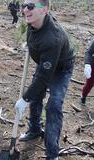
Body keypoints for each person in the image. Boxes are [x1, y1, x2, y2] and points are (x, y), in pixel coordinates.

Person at [14, 0, 74, 159]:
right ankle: (34, 129)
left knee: (54, 105)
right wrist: (30, 45)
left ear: (44, 10)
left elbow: (43, 77)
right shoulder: (33, 20)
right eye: (24, 6)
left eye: (31, 6)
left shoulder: (52, 38)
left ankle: (52, 153)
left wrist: (25, 98)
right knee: (36, 96)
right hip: (45, 62)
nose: (26, 9)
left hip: (61, 68)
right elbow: (35, 36)